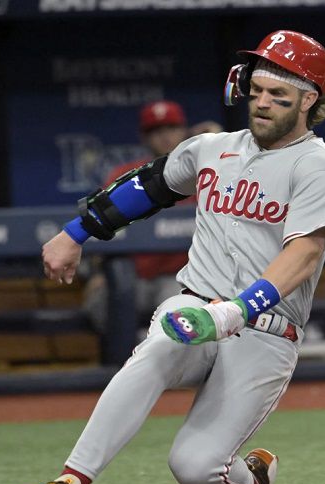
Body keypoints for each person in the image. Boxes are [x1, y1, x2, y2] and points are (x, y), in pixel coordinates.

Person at [11, 30, 325, 484]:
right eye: (257, 90)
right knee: (160, 342)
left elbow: (302, 254)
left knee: (195, 468)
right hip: (194, 306)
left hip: (264, 331)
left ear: (308, 101)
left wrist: (236, 311)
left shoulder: (316, 165)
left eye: (278, 96)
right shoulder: (213, 148)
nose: (262, 102)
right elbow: (145, 188)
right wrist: (74, 233)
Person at [84, 100, 222, 335]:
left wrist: (218, 145)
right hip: (131, 277)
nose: (165, 136)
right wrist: (98, 273)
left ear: (184, 130)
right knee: (104, 299)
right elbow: (99, 224)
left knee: (177, 306)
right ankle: (127, 362)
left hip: (181, 277)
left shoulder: (206, 171)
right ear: (144, 137)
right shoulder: (125, 175)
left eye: (171, 128)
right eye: (156, 131)